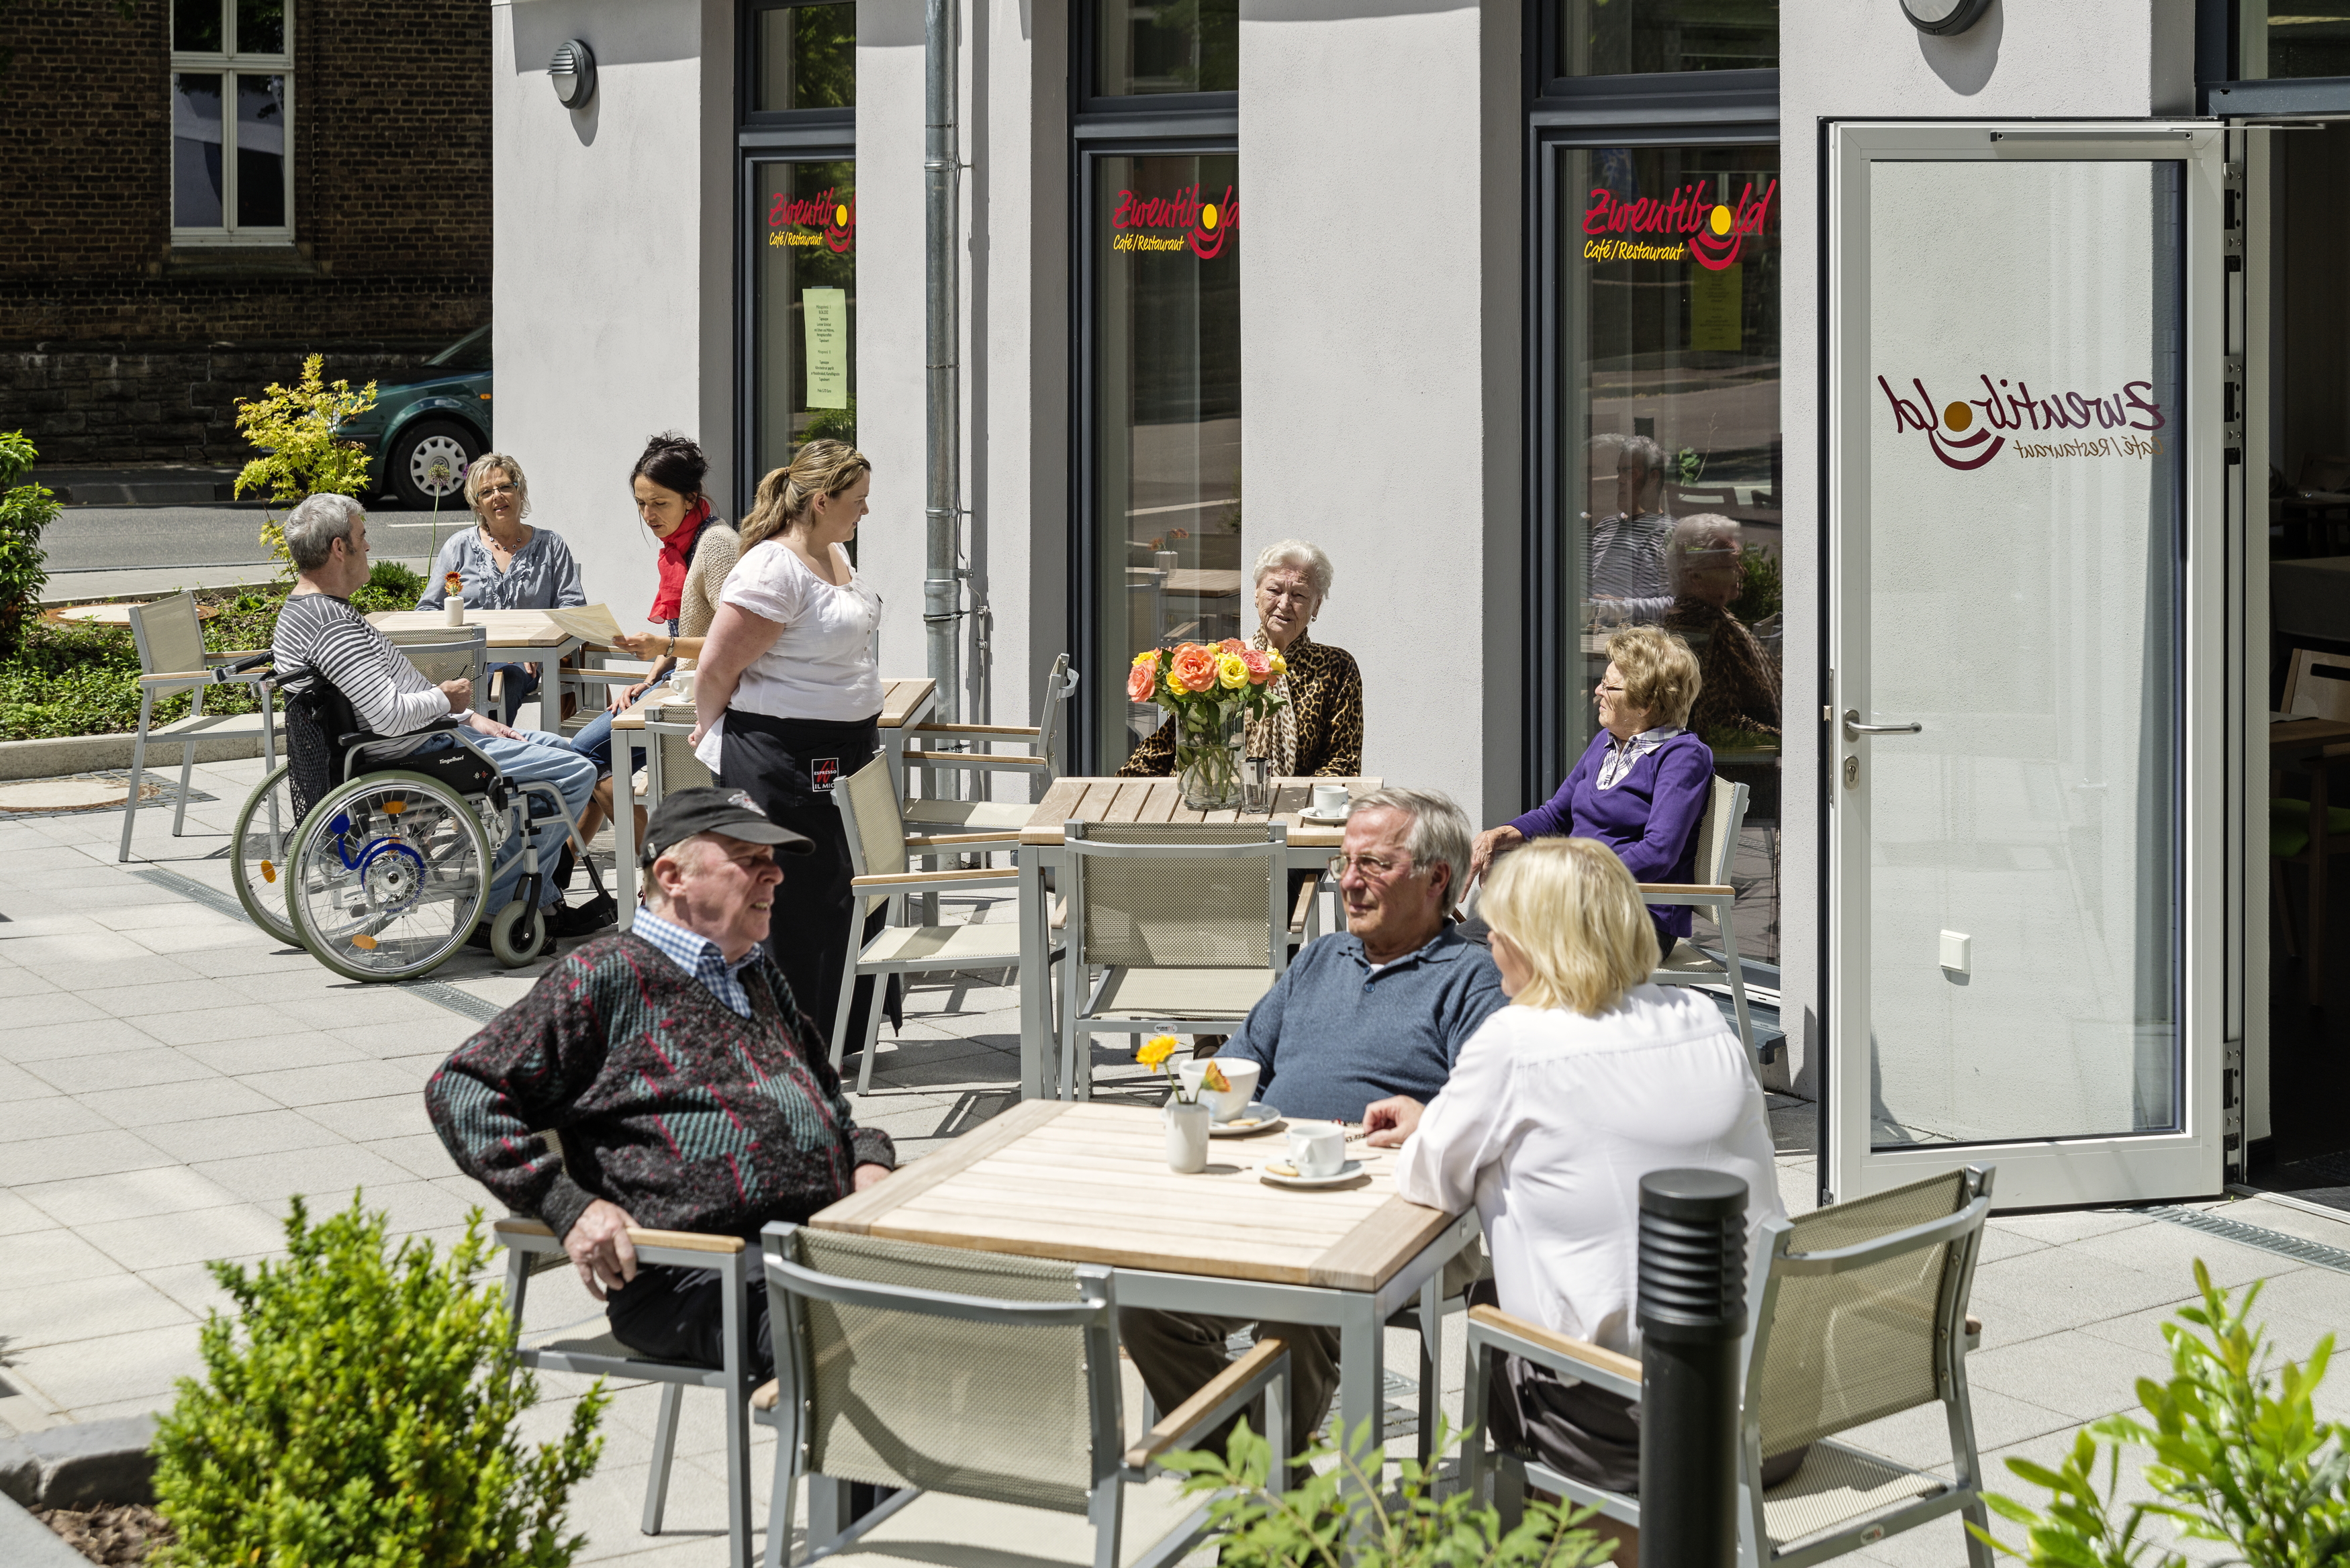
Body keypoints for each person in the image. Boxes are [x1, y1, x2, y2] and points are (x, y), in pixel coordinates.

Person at [1368, 837, 1786, 1553]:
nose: (1488, 947)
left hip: (1629, 1426)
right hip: (1770, 1411)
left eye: (1495, 932)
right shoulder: (1700, 1016)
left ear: (1532, 944)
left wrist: (1430, 1128)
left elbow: (1427, 1179)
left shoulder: (1516, 1039)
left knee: (1487, 1298)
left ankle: (1560, 1530)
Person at [424, 786, 894, 1375]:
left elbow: (832, 1109)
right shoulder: (605, 976)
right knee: (869, 1343)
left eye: (773, 861)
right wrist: (567, 1206)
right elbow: (462, 1087)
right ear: (673, 874)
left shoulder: (754, 975)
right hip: (692, 1272)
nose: (774, 875)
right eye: (750, 860)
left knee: (987, 1306)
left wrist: (868, 1161)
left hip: (810, 1245)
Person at [1118, 787, 1507, 1464]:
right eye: (1343, 863)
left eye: (1374, 865)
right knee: (1146, 1306)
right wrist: (1198, 1099)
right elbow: (1236, 1063)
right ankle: (1273, 1487)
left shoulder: (1470, 977)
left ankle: (1265, 1513)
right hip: (1268, 1194)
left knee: (1299, 1312)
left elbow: (1492, 1106)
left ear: (1435, 878)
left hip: (1395, 1217)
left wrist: (1429, 1121)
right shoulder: (1318, 958)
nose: (1350, 883)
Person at [271, 493, 609, 940]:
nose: (368, 546)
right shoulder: (330, 623)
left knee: (560, 749)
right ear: (339, 549)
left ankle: (540, 903)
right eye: (361, 536)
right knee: (576, 771)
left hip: (434, 737)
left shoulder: (308, 611)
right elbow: (390, 717)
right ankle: (492, 909)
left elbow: (390, 700)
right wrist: (446, 701)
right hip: (419, 751)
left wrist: (469, 717)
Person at [689, 440, 888, 1057]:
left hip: (844, 746)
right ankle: (780, 1038)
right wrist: (709, 731)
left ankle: (839, 1032)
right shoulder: (772, 569)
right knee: (790, 897)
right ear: (822, 500)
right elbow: (717, 668)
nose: (864, 512)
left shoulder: (833, 550)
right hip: (782, 755)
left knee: (843, 889)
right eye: (857, 502)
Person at [1470, 624, 1711, 959]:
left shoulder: (1683, 756)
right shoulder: (1607, 742)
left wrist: (1573, 877)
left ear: (1645, 703)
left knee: (1496, 948)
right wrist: (1500, 834)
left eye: (1608, 685)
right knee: (1470, 938)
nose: (1597, 692)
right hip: (1575, 903)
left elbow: (1658, 852)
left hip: (1636, 918)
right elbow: (1558, 813)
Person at [567, 433, 742, 843]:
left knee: (585, 755)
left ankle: (656, 865)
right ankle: (561, 875)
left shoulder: (717, 546)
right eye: (641, 504)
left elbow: (732, 644)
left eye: (659, 503)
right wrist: (648, 678)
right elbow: (685, 635)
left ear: (691, 497)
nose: (648, 514)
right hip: (675, 686)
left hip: (702, 698)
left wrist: (663, 650)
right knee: (592, 761)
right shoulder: (678, 545)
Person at [1119, 538, 1363, 779]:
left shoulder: (1336, 669)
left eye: (1299, 595)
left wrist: (1291, 805)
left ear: (1317, 605)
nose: (1284, 603)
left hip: (1294, 809)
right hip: (1208, 802)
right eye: (1274, 590)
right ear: (1256, 593)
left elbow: (1342, 765)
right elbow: (1166, 746)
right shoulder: (1219, 661)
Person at [415, 454, 588, 726]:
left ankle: (488, 751)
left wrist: (532, 646)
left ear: (520, 491)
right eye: (486, 492)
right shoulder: (458, 547)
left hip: (524, 661)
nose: (498, 496)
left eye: (505, 487)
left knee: (505, 678)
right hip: (467, 660)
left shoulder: (551, 545)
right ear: (477, 504)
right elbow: (427, 610)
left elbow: (573, 607)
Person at [1657, 513, 1781, 746]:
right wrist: (1790, 742)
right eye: (1730, 565)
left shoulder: (1715, 617)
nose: (1742, 572)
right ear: (1695, 576)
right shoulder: (1698, 634)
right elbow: (1719, 726)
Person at [1586, 434, 1674, 611]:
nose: (1619, 480)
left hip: (1636, 635)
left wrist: (1619, 608)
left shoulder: (1671, 535)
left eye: (1629, 473)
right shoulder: (1605, 527)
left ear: (1653, 478)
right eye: (1620, 472)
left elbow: (1676, 604)